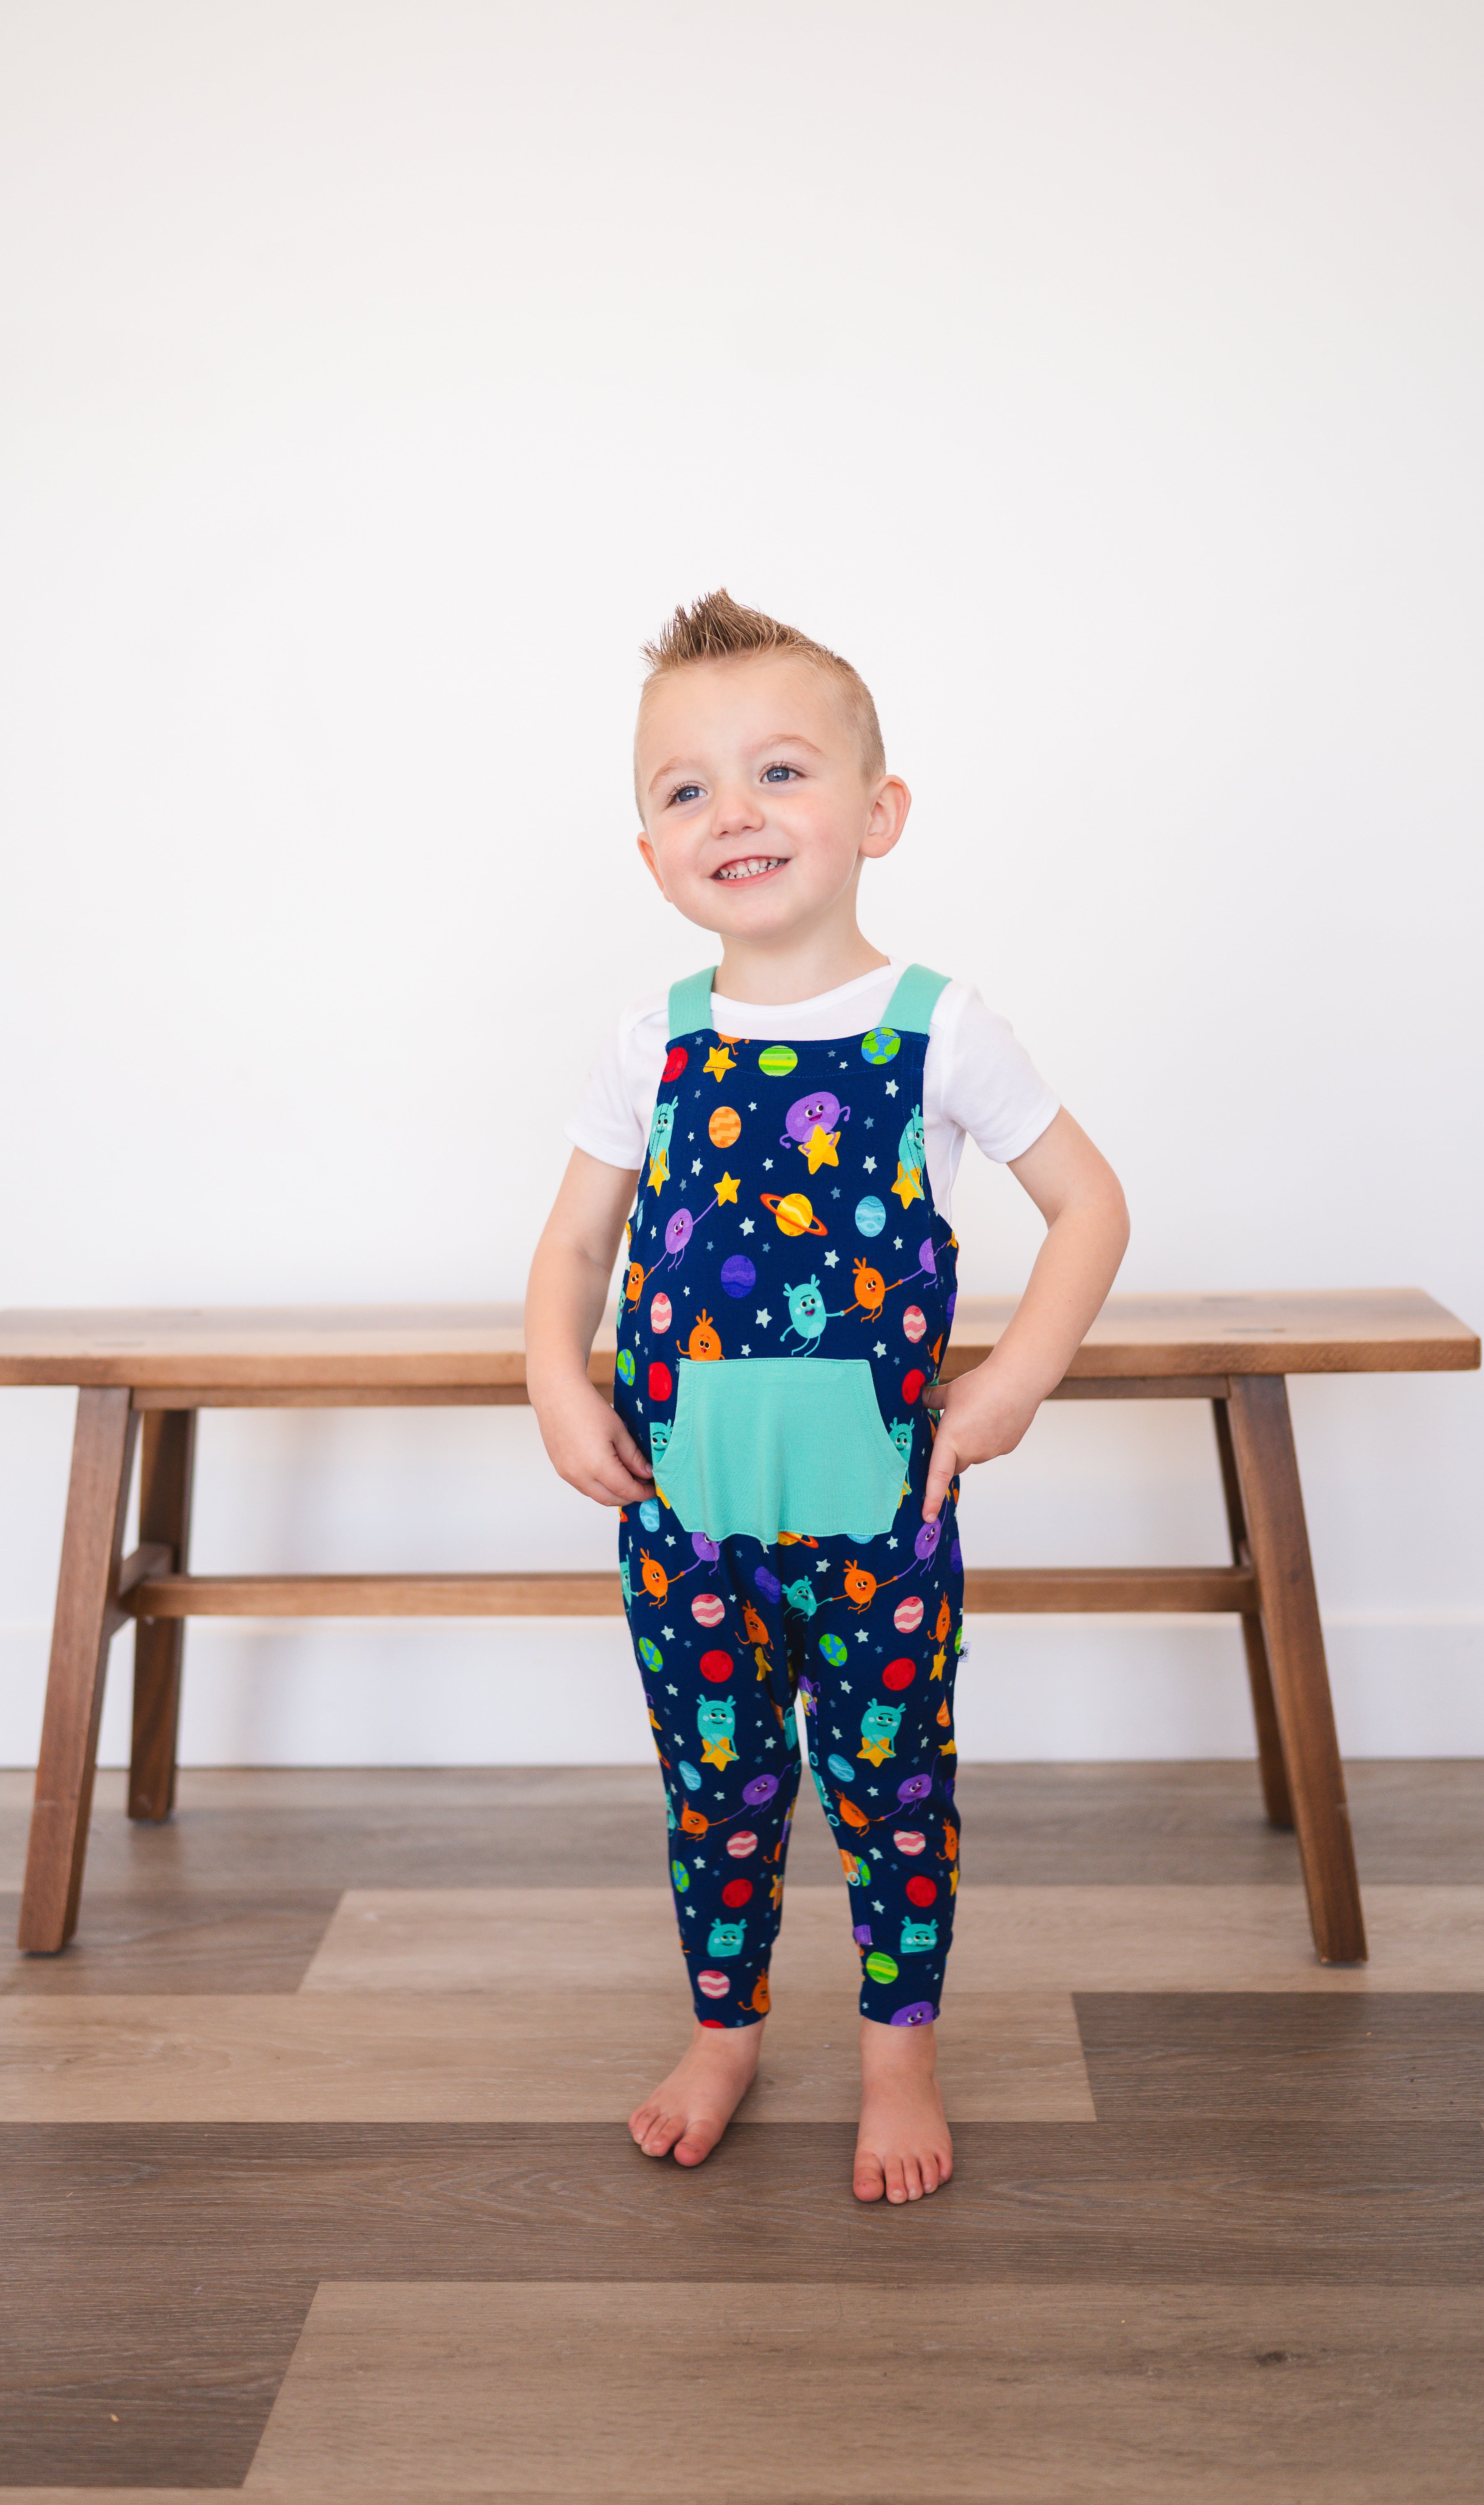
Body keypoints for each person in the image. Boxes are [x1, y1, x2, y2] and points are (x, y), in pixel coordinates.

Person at [525, 591, 1128, 2205]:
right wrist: (553, 1387)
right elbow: (576, 1243)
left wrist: (1008, 1387)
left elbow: (1092, 1209)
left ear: (879, 813)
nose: (735, 812)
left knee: (888, 1782)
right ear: (650, 850)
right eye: (686, 789)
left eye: (780, 771)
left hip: (881, 1516)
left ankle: (896, 2048)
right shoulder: (651, 1045)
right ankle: (725, 2026)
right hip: (684, 1518)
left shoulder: (938, 1029)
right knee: (713, 1781)